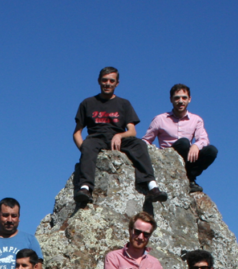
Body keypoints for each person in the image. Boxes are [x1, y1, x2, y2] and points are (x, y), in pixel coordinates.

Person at [72, 67, 168, 206]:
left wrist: (119, 135)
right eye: (104, 80)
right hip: (95, 138)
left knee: (139, 144)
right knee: (88, 145)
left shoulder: (124, 104)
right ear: (99, 81)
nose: (108, 83)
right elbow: (77, 132)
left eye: (112, 81)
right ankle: (85, 188)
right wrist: (85, 150)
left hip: (118, 139)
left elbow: (132, 131)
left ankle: (152, 187)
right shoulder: (87, 103)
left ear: (117, 83)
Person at [141, 84, 218, 193]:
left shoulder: (196, 120)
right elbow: (147, 140)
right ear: (171, 100)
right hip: (168, 157)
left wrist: (196, 145)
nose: (181, 101)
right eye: (177, 98)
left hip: (188, 159)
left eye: (184, 98)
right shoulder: (160, 119)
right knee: (184, 142)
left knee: (211, 150)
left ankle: (190, 178)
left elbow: (204, 140)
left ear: (189, 99)